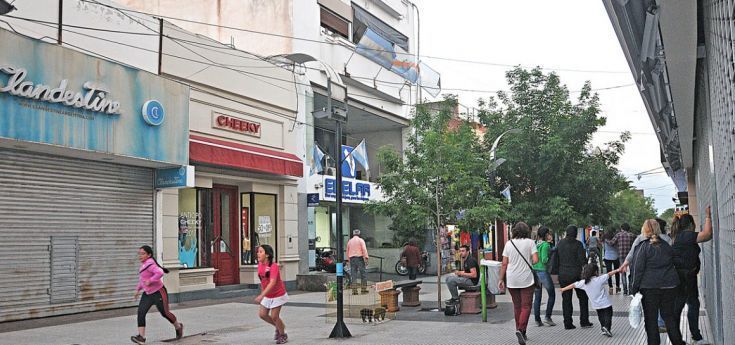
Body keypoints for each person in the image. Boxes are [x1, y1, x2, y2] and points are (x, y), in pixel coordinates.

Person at [629, 219, 684, 345]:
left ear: (644, 230)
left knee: (651, 320)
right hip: (670, 286)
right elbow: (677, 262)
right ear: (658, 229)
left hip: (649, 288)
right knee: (669, 318)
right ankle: (678, 342)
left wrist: (634, 288)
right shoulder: (667, 245)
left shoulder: (642, 246)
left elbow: (637, 269)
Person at [671, 206, 714, 345]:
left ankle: (678, 338)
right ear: (691, 225)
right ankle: (694, 337)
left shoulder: (678, 236)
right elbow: (707, 235)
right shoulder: (686, 235)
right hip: (686, 277)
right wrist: (708, 216)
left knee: (681, 306)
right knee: (690, 305)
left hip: (682, 277)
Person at [131, 245, 183, 345]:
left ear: (149, 255)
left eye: (143, 254)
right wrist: (137, 290)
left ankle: (178, 326)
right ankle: (141, 337)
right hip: (148, 294)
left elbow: (160, 272)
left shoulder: (150, 264)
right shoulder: (144, 265)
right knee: (141, 312)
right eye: (139, 254)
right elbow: (142, 280)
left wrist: (150, 281)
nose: (140, 256)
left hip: (159, 292)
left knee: (165, 313)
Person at [498, 222, 539, 345]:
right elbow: (536, 260)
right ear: (526, 231)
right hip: (526, 279)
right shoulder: (530, 243)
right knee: (526, 306)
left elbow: (504, 263)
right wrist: (528, 260)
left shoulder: (508, 244)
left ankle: (520, 331)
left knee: (517, 306)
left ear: (514, 231)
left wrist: (501, 279)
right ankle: (521, 330)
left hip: (512, 279)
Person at [560, 263, 623, 337]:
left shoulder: (584, 283)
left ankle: (603, 328)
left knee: (601, 317)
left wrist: (563, 289)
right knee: (608, 316)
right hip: (606, 304)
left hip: (596, 305)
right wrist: (618, 270)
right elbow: (609, 274)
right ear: (595, 272)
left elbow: (574, 284)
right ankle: (607, 328)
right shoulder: (599, 279)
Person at [557, 225, 593, 330]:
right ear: (575, 233)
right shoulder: (578, 244)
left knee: (566, 299)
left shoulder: (560, 243)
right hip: (577, 274)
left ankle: (568, 323)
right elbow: (583, 261)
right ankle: (584, 321)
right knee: (583, 298)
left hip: (563, 273)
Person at [255, 244, 289, 344]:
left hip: (278, 294)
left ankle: (283, 335)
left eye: (261, 252)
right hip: (268, 295)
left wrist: (261, 295)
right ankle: (278, 327)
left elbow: (272, 282)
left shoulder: (273, 266)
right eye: (258, 251)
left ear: (267, 255)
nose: (258, 253)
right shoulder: (260, 265)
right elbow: (263, 281)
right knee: (262, 315)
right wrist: (263, 294)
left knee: (274, 316)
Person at [532, 226, 556, 327]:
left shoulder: (534, 243)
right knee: (552, 294)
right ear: (546, 235)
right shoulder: (546, 245)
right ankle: (548, 317)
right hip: (543, 271)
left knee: (537, 296)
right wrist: (551, 249)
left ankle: (537, 320)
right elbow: (544, 259)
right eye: (549, 233)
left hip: (534, 271)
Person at [605, 223, 636, 294]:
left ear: (622, 228)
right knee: (632, 272)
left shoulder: (618, 235)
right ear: (629, 229)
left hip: (621, 256)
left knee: (623, 273)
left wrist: (606, 240)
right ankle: (631, 290)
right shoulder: (632, 235)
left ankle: (625, 291)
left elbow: (611, 243)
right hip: (631, 256)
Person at [346, 229, 369, 293]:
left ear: (353, 234)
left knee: (353, 275)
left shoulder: (350, 241)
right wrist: (366, 258)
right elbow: (364, 249)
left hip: (352, 259)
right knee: (363, 274)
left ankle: (354, 290)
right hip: (359, 258)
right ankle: (363, 289)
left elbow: (347, 251)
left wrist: (348, 260)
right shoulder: (361, 240)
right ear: (359, 234)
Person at [602, 230, 621, 295]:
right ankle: (618, 287)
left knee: (609, 273)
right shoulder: (616, 239)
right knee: (617, 272)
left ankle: (610, 288)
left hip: (607, 257)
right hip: (616, 257)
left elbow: (604, 249)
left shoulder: (604, 240)